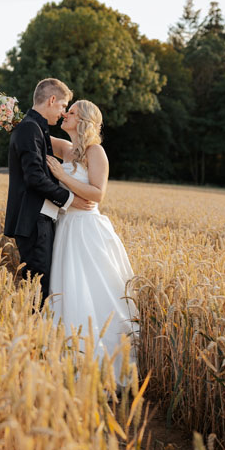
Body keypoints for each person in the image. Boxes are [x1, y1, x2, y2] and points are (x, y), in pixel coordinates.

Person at [45, 99, 139, 386]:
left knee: (94, 294)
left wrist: (61, 175)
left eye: (70, 112)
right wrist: (5, 115)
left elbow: (98, 194)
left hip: (88, 230)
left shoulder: (95, 152)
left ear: (83, 119)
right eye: (65, 110)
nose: (64, 114)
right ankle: (70, 365)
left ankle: (108, 370)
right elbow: (32, 131)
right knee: (67, 292)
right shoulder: (65, 148)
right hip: (66, 228)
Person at [4, 78, 95, 310]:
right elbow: (34, 178)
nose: (63, 112)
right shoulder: (29, 128)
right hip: (33, 221)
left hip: (41, 220)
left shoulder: (34, 127)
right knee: (39, 292)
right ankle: (37, 341)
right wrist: (71, 200)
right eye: (64, 106)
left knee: (41, 289)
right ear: (52, 100)